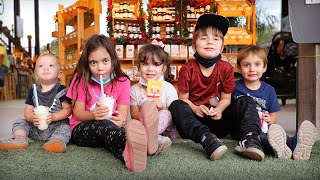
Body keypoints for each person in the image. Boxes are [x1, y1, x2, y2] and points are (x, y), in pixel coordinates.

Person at [66, 34, 155, 173]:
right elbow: (77, 113)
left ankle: (127, 157)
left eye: (105, 61)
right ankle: (143, 143)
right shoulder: (81, 79)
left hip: (111, 128)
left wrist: (121, 120)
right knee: (107, 127)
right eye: (93, 63)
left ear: (113, 60)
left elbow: (123, 114)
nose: (100, 68)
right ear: (86, 63)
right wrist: (93, 115)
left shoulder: (122, 82)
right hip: (80, 129)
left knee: (111, 133)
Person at [168, 14, 235, 161]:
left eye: (216, 39)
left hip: (218, 121)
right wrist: (196, 108)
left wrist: (219, 109)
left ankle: (251, 138)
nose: (210, 42)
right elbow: (184, 99)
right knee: (176, 105)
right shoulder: (187, 69)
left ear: (222, 47)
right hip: (194, 123)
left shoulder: (226, 68)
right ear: (194, 45)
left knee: (243, 101)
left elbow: (226, 98)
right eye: (204, 38)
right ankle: (206, 139)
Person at [234, 45, 317, 160]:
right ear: (239, 68)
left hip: (264, 126)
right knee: (262, 139)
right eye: (246, 65)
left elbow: (274, 115)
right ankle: (281, 147)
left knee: (275, 135)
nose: (252, 69)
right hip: (246, 131)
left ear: (264, 67)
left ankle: (296, 143)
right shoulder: (234, 87)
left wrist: (270, 119)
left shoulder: (269, 90)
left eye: (257, 64)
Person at [0, 53, 72, 153]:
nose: (46, 68)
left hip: (56, 126)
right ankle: (19, 139)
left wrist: (54, 117)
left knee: (66, 127)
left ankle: (56, 141)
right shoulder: (33, 92)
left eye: (51, 65)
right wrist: (32, 118)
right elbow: (27, 112)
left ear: (59, 74)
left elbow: (68, 110)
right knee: (20, 121)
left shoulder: (61, 90)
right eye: (41, 66)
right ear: (35, 74)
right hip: (36, 128)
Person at [130, 43, 179, 155]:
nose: (150, 69)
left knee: (166, 113)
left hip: (167, 132)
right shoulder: (134, 90)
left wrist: (162, 107)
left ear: (163, 68)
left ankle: (149, 138)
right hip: (144, 125)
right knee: (131, 124)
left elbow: (176, 114)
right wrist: (146, 112)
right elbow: (134, 114)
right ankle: (152, 140)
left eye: (156, 65)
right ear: (138, 67)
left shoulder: (168, 88)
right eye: (145, 64)